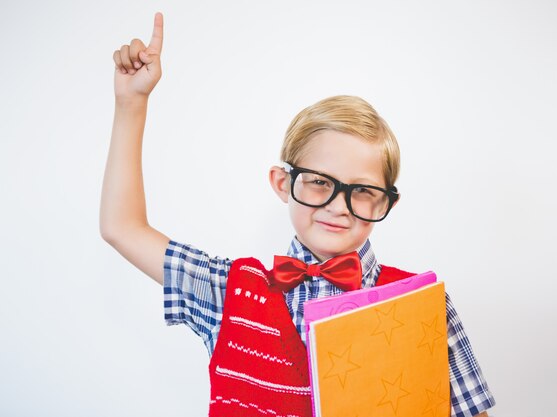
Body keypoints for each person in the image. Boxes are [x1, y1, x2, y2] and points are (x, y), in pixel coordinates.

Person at [100, 12, 496, 417]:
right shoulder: (230, 289)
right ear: (282, 183)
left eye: (361, 191)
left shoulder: (423, 305)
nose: (337, 207)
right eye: (320, 182)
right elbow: (122, 228)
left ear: (385, 203)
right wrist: (131, 104)